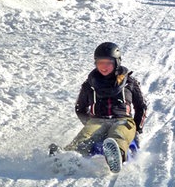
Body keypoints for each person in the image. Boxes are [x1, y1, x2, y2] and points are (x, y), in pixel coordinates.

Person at [63, 42, 148, 173]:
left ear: (116, 62)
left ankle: (116, 155)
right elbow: (80, 107)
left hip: (123, 120)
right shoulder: (89, 84)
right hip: (98, 120)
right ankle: (67, 158)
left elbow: (141, 106)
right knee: (85, 136)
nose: (104, 67)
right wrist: (89, 123)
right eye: (100, 63)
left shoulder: (130, 82)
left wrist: (137, 128)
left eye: (108, 63)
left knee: (118, 134)